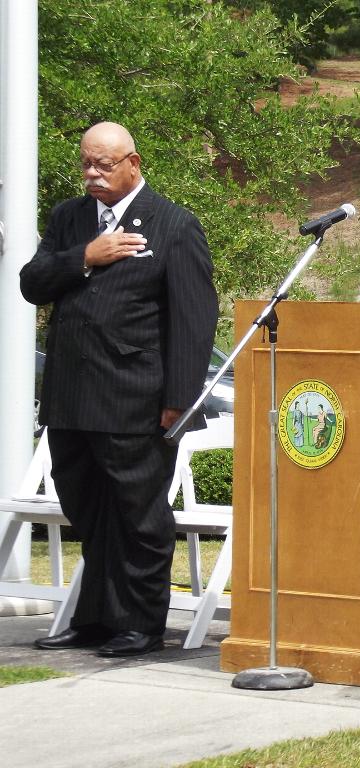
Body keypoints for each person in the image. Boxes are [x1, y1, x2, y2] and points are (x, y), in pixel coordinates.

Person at [20, 122, 218, 657]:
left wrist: (179, 401)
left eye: (103, 165)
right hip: (71, 397)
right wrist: (86, 256)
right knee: (86, 507)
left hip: (136, 399)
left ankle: (140, 624)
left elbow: (195, 319)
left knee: (138, 516)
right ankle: (96, 618)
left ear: (133, 162)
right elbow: (31, 283)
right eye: (86, 163)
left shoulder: (173, 224)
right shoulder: (70, 218)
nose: (92, 174)